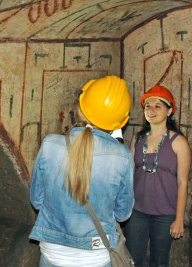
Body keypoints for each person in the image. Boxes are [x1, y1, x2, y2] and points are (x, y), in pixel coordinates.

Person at [29, 75, 135, 267]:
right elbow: (123, 214)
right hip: (96, 256)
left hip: (53, 252)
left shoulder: (50, 144)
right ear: (120, 122)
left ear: (80, 108)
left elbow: (37, 201)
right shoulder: (122, 156)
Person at [125, 85, 191, 267]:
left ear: (169, 111)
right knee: (133, 260)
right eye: (147, 105)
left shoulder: (178, 142)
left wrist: (179, 219)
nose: (151, 110)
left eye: (157, 106)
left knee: (159, 261)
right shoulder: (137, 139)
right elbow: (129, 176)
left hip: (165, 214)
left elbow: (182, 182)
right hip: (136, 211)